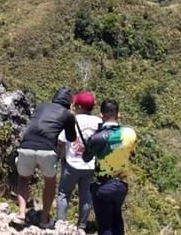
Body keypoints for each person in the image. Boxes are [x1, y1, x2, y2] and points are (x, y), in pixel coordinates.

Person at [11, 87, 77, 230]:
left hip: (26, 145)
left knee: (23, 179)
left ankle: (21, 214)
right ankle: (44, 219)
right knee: (50, 182)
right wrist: (71, 116)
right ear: (69, 103)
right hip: (47, 149)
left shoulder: (40, 107)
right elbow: (72, 137)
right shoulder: (67, 114)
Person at [84, 99, 138, 235]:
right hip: (122, 186)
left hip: (103, 187)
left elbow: (86, 158)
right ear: (118, 114)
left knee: (105, 226)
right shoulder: (130, 134)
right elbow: (132, 155)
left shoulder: (96, 138)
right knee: (117, 219)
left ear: (101, 115)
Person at [56, 91, 103, 230]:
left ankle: (60, 224)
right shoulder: (99, 122)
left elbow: (61, 141)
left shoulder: (72, 119)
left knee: (64, 194)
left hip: (71, 163)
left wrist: (63, 158)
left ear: (79, 106)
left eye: (76, 104)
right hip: (89, 165)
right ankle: (81, 227)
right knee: (86, 196)